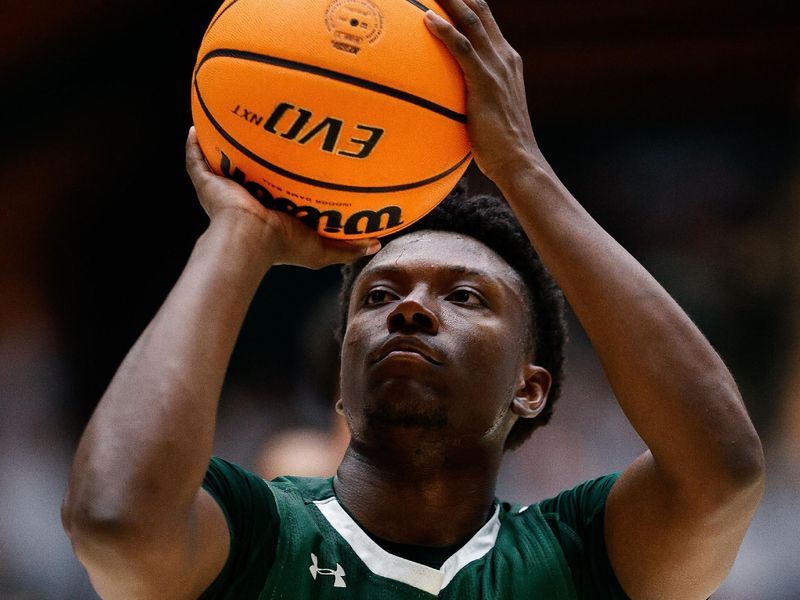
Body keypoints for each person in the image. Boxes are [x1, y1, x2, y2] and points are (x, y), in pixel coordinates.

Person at [61, 0, 765, 598]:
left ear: (530, 388)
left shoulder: (576, 554)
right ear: (340, 381)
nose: (410, 308)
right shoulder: (259, 532)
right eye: (378, 296)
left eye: (464, 295)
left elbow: (722, 472)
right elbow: (114, 519)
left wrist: (521, 166)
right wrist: (240, 232)